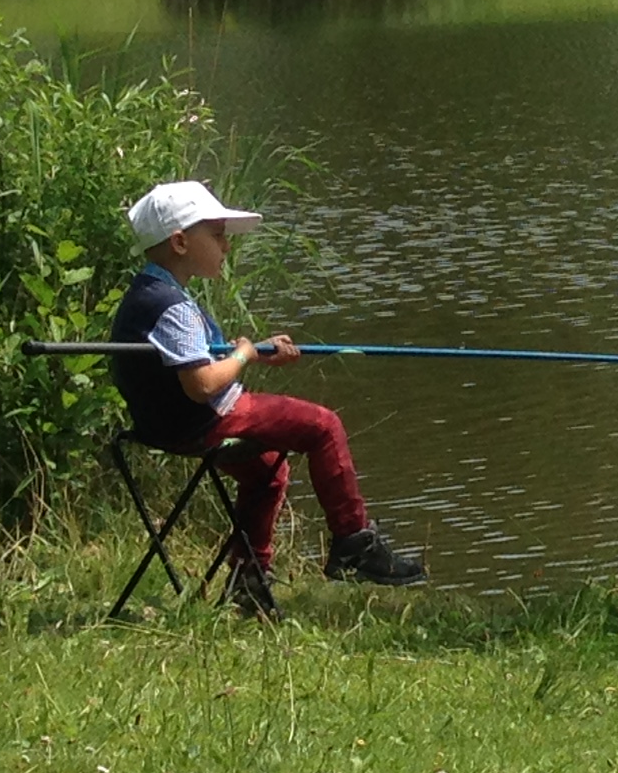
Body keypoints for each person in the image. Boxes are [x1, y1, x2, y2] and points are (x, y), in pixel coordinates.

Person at [111, 180, 426, 614]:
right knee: (323, 425)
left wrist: (255, 351)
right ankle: (354, 544)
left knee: (267, 472)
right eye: (217, 235)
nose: (226, 245)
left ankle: (249, 579)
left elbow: (195, 361)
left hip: (168, 425)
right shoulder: (172, 306)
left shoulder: (149, 293)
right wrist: (243, 356)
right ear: (180, 242)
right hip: (202, 420)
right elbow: (201, 384)